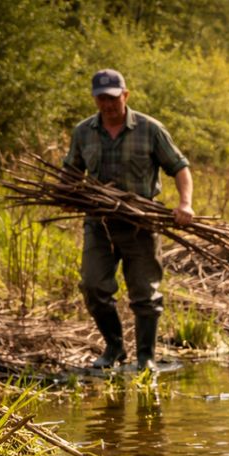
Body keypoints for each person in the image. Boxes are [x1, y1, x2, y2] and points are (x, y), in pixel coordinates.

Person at [63, 68, 193, 371]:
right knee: (93, 286)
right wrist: (67, 194)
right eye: (101, 99)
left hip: (141, 224)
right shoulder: (83, 132)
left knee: (145, 294)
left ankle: (145, 357)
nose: (108, 105)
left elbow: (180, 168)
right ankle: (115, 348)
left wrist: (184, 203)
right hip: (99, 224)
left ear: (125, 95)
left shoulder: (150, 129)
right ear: (95, 99)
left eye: (112, 98)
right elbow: (70, 172)